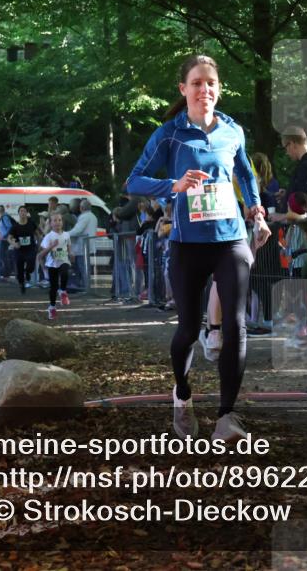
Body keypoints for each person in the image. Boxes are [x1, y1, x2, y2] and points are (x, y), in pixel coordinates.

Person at [125, 54, 271, 443]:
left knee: (235, 325)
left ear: (218, 89)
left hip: (230, 239)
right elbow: (134, 181)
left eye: (211, 83)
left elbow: (245, 174)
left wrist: (256, 209)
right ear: (183, 89)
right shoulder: (169, 134)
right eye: (196, 83)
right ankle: (182, 393)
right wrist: (172, 186)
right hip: (188, 244)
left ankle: (227, 416)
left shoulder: (232, 131)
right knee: (188, 329)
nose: (204, 89)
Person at [38, 211, 72, 319]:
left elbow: (68, 246)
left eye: (59, 220)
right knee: (53, 287)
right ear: (51, 223)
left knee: (65, 271)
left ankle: (63, 291)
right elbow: (41, 255)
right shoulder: (48, 237)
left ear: (62, 222)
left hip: (64, 260)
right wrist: (51, 246)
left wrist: (71, 253)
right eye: (55, 220)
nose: (57, 222)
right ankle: (52, 307)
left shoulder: (66, 235)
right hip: (52, 264)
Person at [68, 199, 98, 293]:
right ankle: (82, 286)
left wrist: (65, 234)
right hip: (88, 245)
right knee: (83, 267)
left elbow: (77, 230)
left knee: (82, 268)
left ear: (81, 208)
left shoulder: (84, 217)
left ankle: (85, 287)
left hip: (82, 247)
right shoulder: (93, 216)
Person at [8, 205, 40, 294]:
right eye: (21, 211)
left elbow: (37, 233)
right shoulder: (15, 226)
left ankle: (27, 272)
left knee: (31, 266)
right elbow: (9, 238)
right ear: (18, 213)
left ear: (26, 213)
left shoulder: (31, 223)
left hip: (30, 249)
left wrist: (39, 243)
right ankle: (22, 284)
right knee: (19, 269)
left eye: (24, 211)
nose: (22, 213)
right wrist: (14, 244)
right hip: (19, 250)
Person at [0, 205, 16, 282]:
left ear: (1, 210)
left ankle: (6, 274)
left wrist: (4, 236)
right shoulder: (3, 217)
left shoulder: (5, 217)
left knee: (3, 256)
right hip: (4, 239)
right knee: (3, 256)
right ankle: (5, 274)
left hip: (5, 240)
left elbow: (10, 227)